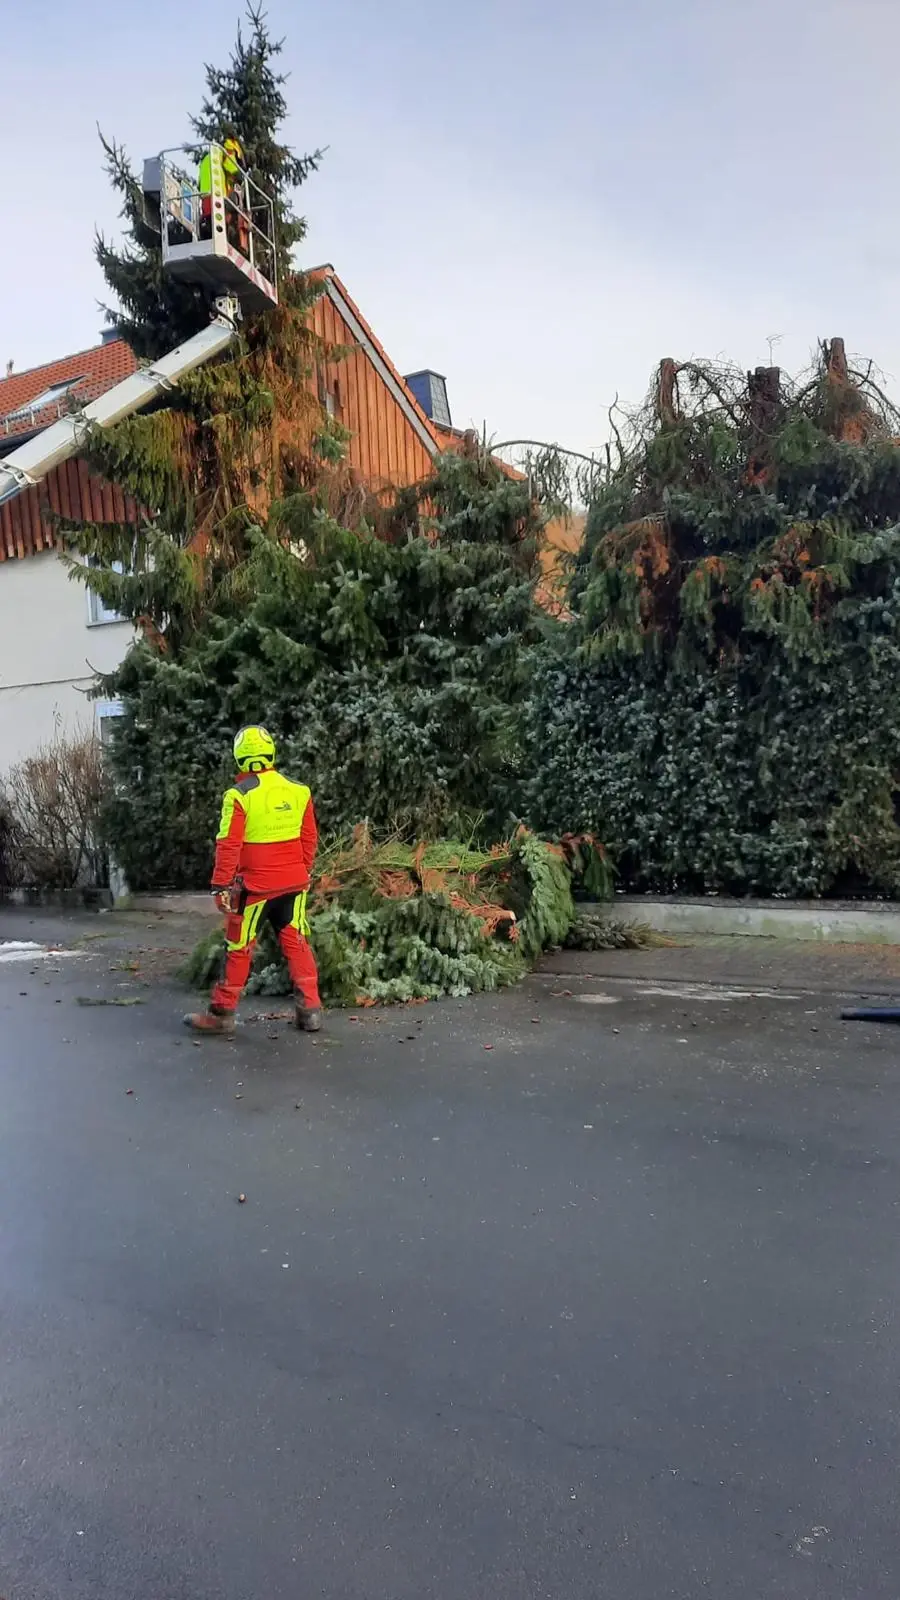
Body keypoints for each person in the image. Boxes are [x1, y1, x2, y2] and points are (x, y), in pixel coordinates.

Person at [185, 725, 323, 1037]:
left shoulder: (238, 796)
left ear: (240, 759)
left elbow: (228, 844)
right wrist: (303, 870)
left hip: (254, 889)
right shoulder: (300, 791)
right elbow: (309, 838)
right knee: (297, 943)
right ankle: (310, 1011)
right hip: (294, 884)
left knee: (239, 947)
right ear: (271, 752)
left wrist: (220, 886)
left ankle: (221, 1013)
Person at [197, 137, 246, 248]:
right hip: (218, 198)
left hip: (205, 199)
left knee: (210, 230)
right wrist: (239, 176)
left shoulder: (206, 158)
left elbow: (199, 183)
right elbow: (231, 166)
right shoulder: (228, 150)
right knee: (221, 231)